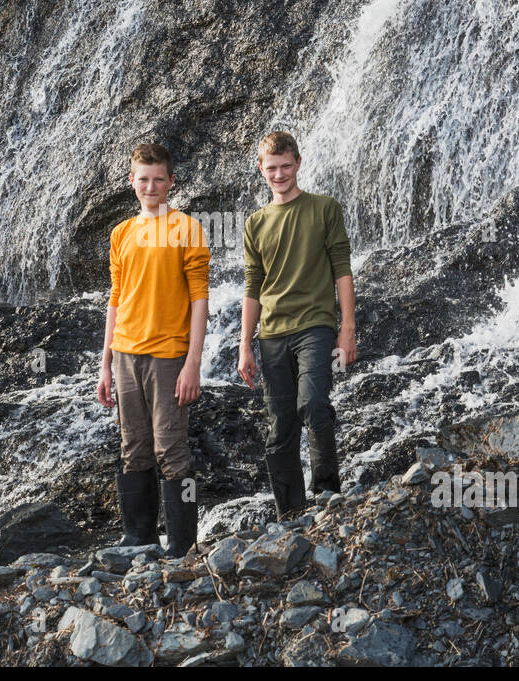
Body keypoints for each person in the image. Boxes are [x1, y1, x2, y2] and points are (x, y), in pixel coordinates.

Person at [96, 143, 210, 557]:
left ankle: (182, 544)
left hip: (168, 356)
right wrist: (105, 365)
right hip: (125, 354)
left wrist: (192, 364)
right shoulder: (121, 233)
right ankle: (139, 536)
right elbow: (115, 299)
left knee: (171, 448)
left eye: (158, 178)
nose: (150, 186)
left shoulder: (186, 228)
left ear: (171, 182)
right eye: (143, 179)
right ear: (131, 181)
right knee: (134, 445)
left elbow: (200, 299)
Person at [238, 130, 356, 518]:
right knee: (280, 426)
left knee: (315, 404)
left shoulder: (324, 208)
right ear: (261, 169)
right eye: (271, 168)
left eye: (286, 166)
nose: (279, 174)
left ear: (298, 164)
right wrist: (244, 345)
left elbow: (342, 270)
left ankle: (326, 495)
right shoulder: (255, 223)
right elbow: (253, 286)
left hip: (315, 326)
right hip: (271, 334)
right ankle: (289, 513)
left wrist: (347, 329)